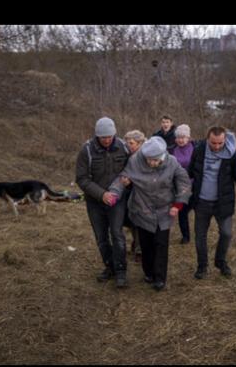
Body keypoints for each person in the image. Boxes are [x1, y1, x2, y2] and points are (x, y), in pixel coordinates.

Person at [108, 137, 191, 292]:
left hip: (164, 209)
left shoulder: (172, 162)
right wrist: (114, 192)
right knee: (146, 244)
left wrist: (178, 203)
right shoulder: (135, 160)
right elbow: (122, 179)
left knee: (161, 244)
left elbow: (184, 183)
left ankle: (160, 278)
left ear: (162, 157)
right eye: (149, 160)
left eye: (155, 160)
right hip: (142, 208)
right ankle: (148, 273)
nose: (152, 163)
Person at [187, 126, 236, 279]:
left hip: (223, 202)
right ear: (207, 139)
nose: (217, 146)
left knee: (226, 233)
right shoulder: (199, 150)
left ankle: (220, 261)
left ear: (225, 140)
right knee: (200, 236)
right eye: (213, 143)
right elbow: (189, 172)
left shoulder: (233, 155)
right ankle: (202, 266)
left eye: (220, 143)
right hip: (202, 202)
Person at [75, 117, 130, 288]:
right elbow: (82, 179)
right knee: (101, 238)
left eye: (110, 136)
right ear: (97, 136)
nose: (107, 140)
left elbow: (131, 169)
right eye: (103, 137)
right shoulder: (87, 151)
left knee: (117, 234)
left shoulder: (123, 147)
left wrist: (128, 181)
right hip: (95, 202)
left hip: (117, 201)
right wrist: (101, 194)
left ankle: (121, 271)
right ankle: (110, 267)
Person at [123, 130, 147, 263]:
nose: (128, 145)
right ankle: (136, 244)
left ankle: (140, 250)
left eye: (131, 143)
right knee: (132, 221)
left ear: (139, 143)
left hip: (141, 194)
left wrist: (132, 180)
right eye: (127, 143)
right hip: (128, 192)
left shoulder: (145, 156)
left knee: (139, 222)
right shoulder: (128, 154)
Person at [170, 124, 195, 244]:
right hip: (180, 187)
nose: (180, 140)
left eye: (183, 137)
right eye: (178, 137)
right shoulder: (172, 150)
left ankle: (200, 233)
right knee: (182, 212)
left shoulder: (196, 148)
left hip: (195, 185)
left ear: (188, 138)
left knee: (199, 211)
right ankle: (185, 236)